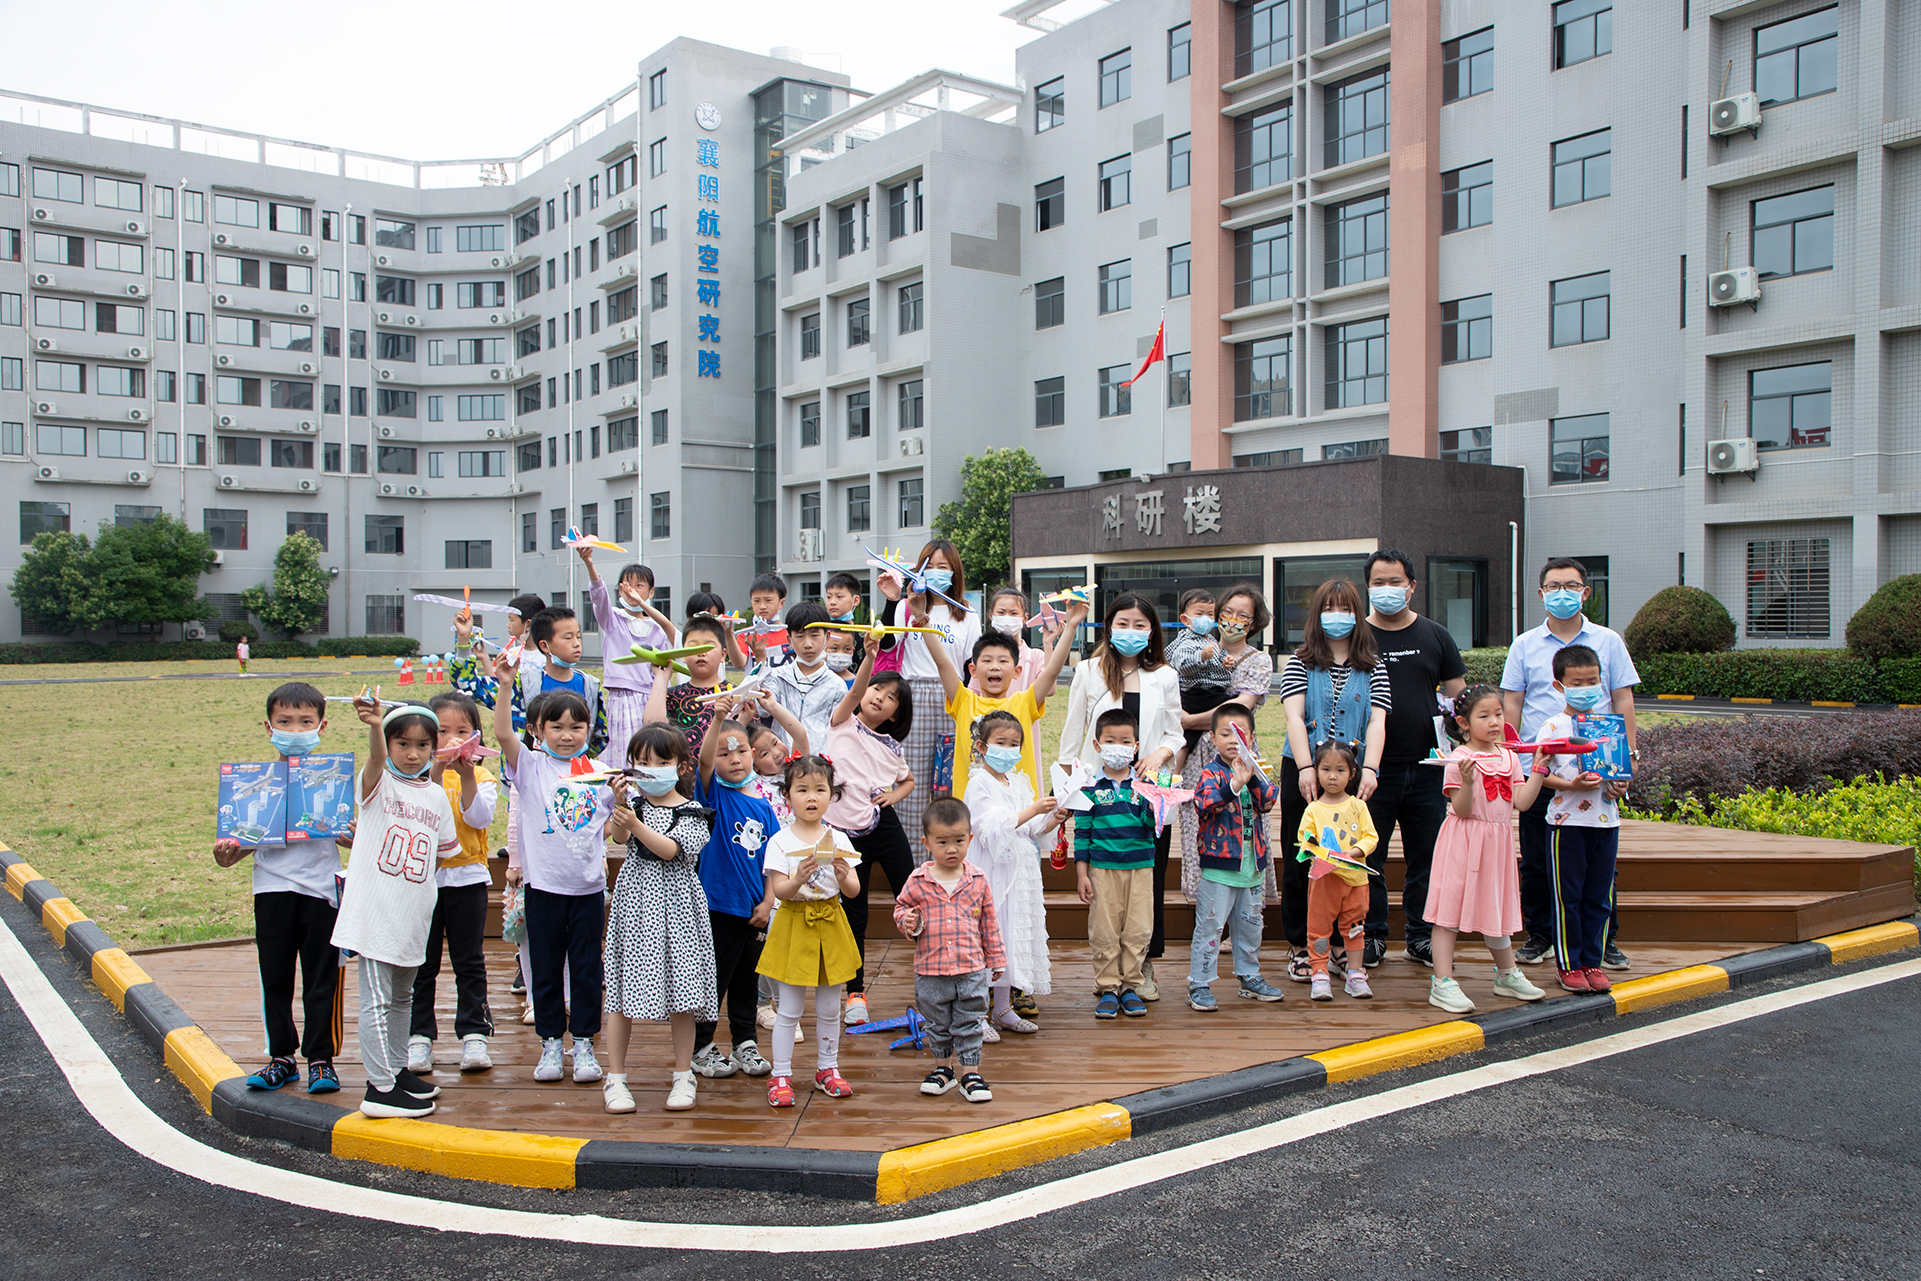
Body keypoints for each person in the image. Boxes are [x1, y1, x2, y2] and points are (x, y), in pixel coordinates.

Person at [1500, 558, 1638, 970]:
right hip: (1541, 766)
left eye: (1571, 586)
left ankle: (1603, 940)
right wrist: (1512, 758)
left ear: (1585, 592)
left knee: (1598, 861)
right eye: (1554, 586)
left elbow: (1623, 698)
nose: (1563, 593)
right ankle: (1542, 934)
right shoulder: (1524, 644)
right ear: (1541, 594)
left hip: (1598, 765)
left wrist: (1627, 761)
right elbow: (1513, 702)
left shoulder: (1608, 641)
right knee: (1538, 857)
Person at [212, 682, 343, 1095]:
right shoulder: (255, 781)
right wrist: (228, 853)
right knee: (275, 976)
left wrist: (352, 835)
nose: (295, 729)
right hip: (271, 889)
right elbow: (244, 841)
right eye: (284, 721)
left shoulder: (336, 778)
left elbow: (352, 834)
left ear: (322, 726)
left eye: (305, 721)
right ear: (269, 728)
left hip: (322, 890)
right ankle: (281, 1057)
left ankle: (321, 1059)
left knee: (322, 978)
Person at [332, 696, 459, 1118]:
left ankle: (397, 1070)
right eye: (402, 744)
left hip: (412, 915)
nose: (412, 754)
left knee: (403, 996)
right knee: (377, 1000)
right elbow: (373, 759)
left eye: (422, 745)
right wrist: (374, 725)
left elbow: (439, 855)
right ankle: (379, 1087)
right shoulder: (378, 784)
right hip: (374, 913)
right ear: (388, 745)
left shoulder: (436, 796)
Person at [1056, 593, 1183, 1001]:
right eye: (1123, 623)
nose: (1131, 631)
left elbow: (1175, 733)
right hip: (1101, 795)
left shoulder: (1165, 675)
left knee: (1148, 881)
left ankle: (1143, 964)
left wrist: (1158, 756)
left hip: (1147, 794)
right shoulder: (1089, 670)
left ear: (1152, 631)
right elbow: (1072, 732)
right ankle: (1109, 973)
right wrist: (1067, 789)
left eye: (1140, 625)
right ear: (1109, 627)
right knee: (1105, 887)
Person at [492, 676, 616, 1087]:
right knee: (544, 968)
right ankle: (549, 1043)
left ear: (588, 729)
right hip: (543, 887)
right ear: (539, 729)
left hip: (588, 889)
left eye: (576, 727)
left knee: (586, 968)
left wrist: (622, 805)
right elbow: (502, 733)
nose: (566, 735)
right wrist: (505, 685)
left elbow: (615, 830)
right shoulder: (530, 766)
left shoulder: (600, 772)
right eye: (557, 727)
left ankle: (583, 1043)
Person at [599, 724, 718, 1114]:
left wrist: (635, 824)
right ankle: (616, 1077)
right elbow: (619, 839)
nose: (650, 770)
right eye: (641, 762)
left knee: (683, 992)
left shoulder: (693, 812)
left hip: (679, 908)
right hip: (635, 907)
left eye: (660, 762)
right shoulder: (634, 806)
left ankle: (683, 1074)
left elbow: (670, 851)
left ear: (681, 766)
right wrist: (621, 807)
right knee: (621, 992)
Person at [1278, 580, 1391, 983]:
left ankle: (1342, 946)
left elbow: (1377, 720)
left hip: (1351, 773)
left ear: (1357, 614)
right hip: (1305, 769)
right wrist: (1306, 767)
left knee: (1348, 859)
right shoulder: (1300, 660)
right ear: (1317, 614)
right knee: (1302, 856)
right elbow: (1293, 717)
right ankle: (1300, 945)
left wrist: (1370, 769)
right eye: (1329, 608)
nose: (1337, 616)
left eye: (1345, 608)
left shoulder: (1373, 664)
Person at [1361, 550, 1467, 970]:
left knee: (1426, 855)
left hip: (1429, 767)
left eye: (1395, 582)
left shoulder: (1436, 635)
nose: (1387, 590)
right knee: (1368, 854)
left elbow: (1460, 698)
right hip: (1372, 768)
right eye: (1378, 582)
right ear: (1367, 587)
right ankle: (1371, 934)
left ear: (1412, 586)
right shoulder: (1356, 636)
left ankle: (1420, 935)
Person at [1427, 685, 1552, 1013]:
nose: (1495, 721)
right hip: (1462, 841)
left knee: (1496, 906)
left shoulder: (1509, 756)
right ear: (1464, 723)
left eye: (1498, 714)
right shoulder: (1459, 758)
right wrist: (1467, 782)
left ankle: (1507, 973)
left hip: (1497, 844)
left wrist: (1539, 769)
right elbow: (1462, 809)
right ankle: (1442, 981)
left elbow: (1522, 803)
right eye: (1484, 716)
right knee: (1448, 909)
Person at [756, 755, 863, 1107]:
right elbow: (780, 891)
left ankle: (827, 1068)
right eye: (802, 789)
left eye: (820, 789)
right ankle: (781, 1074)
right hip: (793, 922)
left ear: (832, 794)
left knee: (830, 1007)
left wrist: (845, 876)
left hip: (831, 921)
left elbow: (853, 891)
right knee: (789, 1008)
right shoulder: (780, 841)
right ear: (787, 795)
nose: (811, 797)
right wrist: (797, 878)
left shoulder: (840, 839)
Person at [912, 591, 1084, 801]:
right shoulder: (963, 701)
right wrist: (921, 618)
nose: (995, 666)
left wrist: (1071, 625)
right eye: (987, 661)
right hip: (973, 811)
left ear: (1016, 671)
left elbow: (1051, 672)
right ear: (973, 670)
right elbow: (942, 662)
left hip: (1020, 811)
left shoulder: (1024, 703)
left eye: (1003, 661)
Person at [822, 645, 916, 1025]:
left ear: (896, 714)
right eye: (878, 688)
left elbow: (907, 781)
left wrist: (892, 796)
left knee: (913, 897)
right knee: (854, 914)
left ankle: (935, 980)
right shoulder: (842, 721)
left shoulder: (893, 747)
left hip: (884, 826)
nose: (879, 697)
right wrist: (870, 657)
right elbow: (856, 691)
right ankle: (855, 993)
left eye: (891, 697)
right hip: (843, 833)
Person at [405, 692, 498, 1076]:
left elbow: (479, 818)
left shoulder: (482, 777)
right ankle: (419, 1036)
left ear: (477, 736)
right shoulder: (413, 777)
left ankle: (474, 1033)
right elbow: (419, 814)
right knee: (421, 962)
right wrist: (436, 771)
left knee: (469, 960)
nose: (453, 740)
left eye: (463, 731)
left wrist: (465, 775)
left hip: (468, 878)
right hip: (422, 879)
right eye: (442, 731)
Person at [686, 707, 780, 1081]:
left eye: (740, 751)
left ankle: (745, 1041)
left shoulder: (763, 807)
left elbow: (774, 862)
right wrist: (717, 721)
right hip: (718, 907)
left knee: (747, 980)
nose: (734, 759)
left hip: (755, 910)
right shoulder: (712, 797)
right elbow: (705, 761)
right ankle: (701, 1046)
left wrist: (769, 901)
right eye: (725, 754)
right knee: (714, 979)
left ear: (752, 754)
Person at [894, 796, 1006, 1104]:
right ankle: (943, 1069)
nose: (951, 849)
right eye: (942, 842)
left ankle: (971, 1073)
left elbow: (989, 922)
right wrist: (907, 920)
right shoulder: (918, 880)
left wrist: (996, 958)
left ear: (970, 838)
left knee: (970, 1020)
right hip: (930, 970)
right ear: (927, 843)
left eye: (959, 841)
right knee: (937, 1022)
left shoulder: (977, 880)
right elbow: (900, 908)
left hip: (970, 968)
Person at [1176, 584, 1276, 908]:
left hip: (1237, 753)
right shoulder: (1196, 648)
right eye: (1227, 612)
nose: (1232, 620)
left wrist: (1189, 721)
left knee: (1245, 821)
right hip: (1197, 756)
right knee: (1198, 821)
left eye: (1242, 615)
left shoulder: (1259, 660)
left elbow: (1240, 708)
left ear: (1254, 622)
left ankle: (1246, 908)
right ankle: (1205, 908)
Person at [875, 539, 980, 845]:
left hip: (952, 697)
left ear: (954, 572)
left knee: (949, 782)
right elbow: (887, 644)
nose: (935, 572)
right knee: (913, 781)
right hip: (914, 695)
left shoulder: (967, 613)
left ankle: (950, 855)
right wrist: (892, 601)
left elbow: (971, 667)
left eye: (942, 567)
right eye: (928, 566)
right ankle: (912, 860)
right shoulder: (906, 607)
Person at [961, 711, 1059, 1035]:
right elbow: (989, 827)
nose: (1008, 749)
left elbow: (1033, 828)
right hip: (992, 872)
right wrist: (1033, 809)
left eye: (1014, 744)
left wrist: (1054, 817)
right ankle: (976, 1015)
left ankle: (1003, 1008)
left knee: (1009, 938)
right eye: (1000, 743)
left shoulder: (1018, 781)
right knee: (988, 937)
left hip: (1020, 874)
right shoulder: (978, 783)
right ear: (982, 746)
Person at [1186, 703, 1286, 1011]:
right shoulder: (1210, 773)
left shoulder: (1258, 770)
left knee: (1251, 925)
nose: (1233, 740)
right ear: (1212, 738)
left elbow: (1268, 801)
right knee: (1210, 927)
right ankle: (1199, 982)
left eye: (1240, 735)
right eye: (1225, 734)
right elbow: (1205, 804)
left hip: (1252, 868)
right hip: (1219, 869)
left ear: (1252, 738)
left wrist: (1251, 774)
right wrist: (1235, 784)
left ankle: (1249, 975)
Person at [1536, 645, 1623, 994]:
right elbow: (1539, 773)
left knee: (1599, 896)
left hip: (1606, 822)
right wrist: (1571, 785)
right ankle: (1568, 965)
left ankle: (1592, 962)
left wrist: (1620, 785)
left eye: (1592, 681)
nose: (1586, 688)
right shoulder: (1552, 727)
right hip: (1566, 823)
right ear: (1559, 686)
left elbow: (1619, 772)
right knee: (1567, 897)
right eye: (1577, 683)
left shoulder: (1609, 726)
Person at [1075, 708, 1161, 1020]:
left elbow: (1152, 825)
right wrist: (1082, 874)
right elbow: (1082, 833)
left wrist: (1157, 802)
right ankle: (1108, 986)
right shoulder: (1089, 787)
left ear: (1136, 747)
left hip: (1140, 868)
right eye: (1110, 741)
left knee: (1139, 927)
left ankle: (1131, 985)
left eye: (1126, 742)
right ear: (1097, 745)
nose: (1118, 747)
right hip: (1102, 869)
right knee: (1104, 928)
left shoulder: (1145, 786)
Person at [1298, 741, 1381, 1003]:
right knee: (1319, 928)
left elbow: (1371, 837)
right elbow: (1304, 840)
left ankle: (1355, 973)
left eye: (1340, 770)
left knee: (1355, 928)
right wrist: (1318, 851)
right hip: (1324, 880)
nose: (1332, 776)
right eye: (1326, 769)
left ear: (1352, 773)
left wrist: (1354, 852)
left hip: (1355, 879)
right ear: (1316, 771)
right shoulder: (1313, 809)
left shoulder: (1358, 806)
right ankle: (1320, 972)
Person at [579, 548, 679, 755]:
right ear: (619, 590)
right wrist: (589, 564)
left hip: (651, 698)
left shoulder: (657, 628)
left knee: (650, 752)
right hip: (622, 697)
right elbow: (599, 597)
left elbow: (664, 667)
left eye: (639, 585)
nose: (632, 590)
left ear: (651, 592)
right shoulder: (612, 619)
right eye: (627, 585)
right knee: (623, 753)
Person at [504, 606, 611, 760]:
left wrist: (576, 759)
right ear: (544, 646)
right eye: (568, 638)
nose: (576, 644)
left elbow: (600, 735)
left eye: (578, 637)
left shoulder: (590, 685)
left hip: (574, 769)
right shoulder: (525, 683)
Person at [763, 600, 843, 750]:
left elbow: (840, 730)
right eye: (800, 636)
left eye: (814, 635)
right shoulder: (777, 677)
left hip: (818, 761)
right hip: (781, 760)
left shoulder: (836, 685)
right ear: (789, 640)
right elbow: (762, 711)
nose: (808, 644)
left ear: (827, 637)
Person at [1166, 589, 1230, 769]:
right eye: (1199, 614)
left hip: (1210, 691)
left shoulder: (1210, 639)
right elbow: (1183, 665)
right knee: (1186, 739)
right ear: (1185, 619)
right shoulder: (1186, 641)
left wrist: (1226, 661)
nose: (1206, 618)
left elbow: (1219, 655)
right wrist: (1200, 656)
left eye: (1210, 614)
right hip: (1196, 693)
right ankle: (1174, 773)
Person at [660, 614, 733, 756]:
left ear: (723, 654)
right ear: (683, 654)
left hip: (723, 769)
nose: (701, 653)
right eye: (693, 647)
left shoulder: (735, 694)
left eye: (708, 647)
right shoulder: (672, 696)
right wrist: (661, 678)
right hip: (685, 769)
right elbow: (652, 724)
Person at [970, 587, 1059, 696]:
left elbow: (1049, 690)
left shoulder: (1036, 657)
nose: (1007, 618)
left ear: (1025, 618)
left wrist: (1048, 645)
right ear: (991, 615)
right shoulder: (983, 654)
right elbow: (973, 694)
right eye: (1001, 612)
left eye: (1013, 613)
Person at [745, 573, 791, 668]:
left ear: (782, 603)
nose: (762, 606)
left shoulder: (792, 635)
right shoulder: (746, 635)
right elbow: (738, 664)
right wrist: (729, 636)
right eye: (756, 601)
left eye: (768, 600)